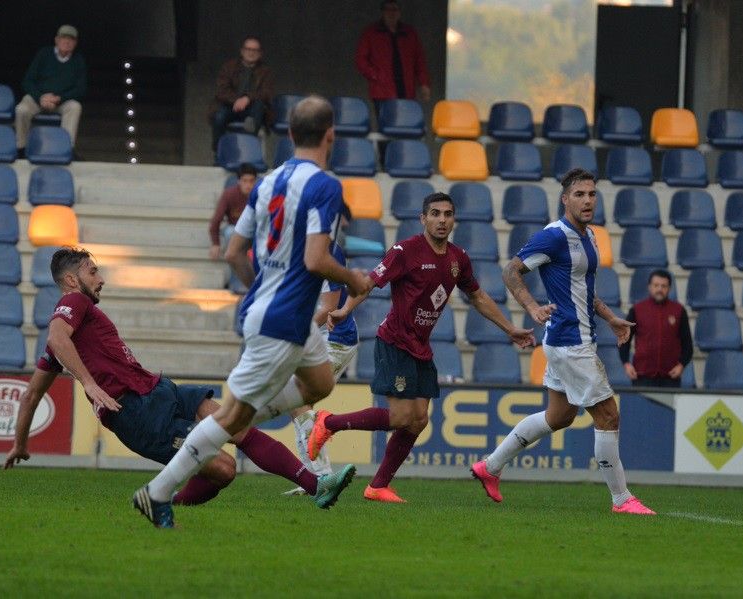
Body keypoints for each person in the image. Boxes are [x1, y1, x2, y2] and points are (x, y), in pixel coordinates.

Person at [134, 96, 372, 528]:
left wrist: (261, 289)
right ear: (331, 135)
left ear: (290, 135)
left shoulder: (265, 183)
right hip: (283, 319)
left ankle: (239, 414)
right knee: (231, 418)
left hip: (282, 314)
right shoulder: (326, 186)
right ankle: (157, 492)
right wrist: (354, 280)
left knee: (318, 383)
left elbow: (233, 252)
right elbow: (319, 259)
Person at [4, 247, 345, 512]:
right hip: (136, 413)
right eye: (93, 272)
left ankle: (318, 486)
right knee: (224, 470)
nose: (101, 279)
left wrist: (20, 444)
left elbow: (33, 393)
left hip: (158, 389)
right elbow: (55, 338)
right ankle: (161, 501)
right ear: (72, 281)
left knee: (238, 424)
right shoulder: (72, 302)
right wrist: (90, 385)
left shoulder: (77, 330)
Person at [307, 192, 535, 504]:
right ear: (423, 218)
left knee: (419, 419)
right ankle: (328, 422)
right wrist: (346, 310)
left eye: (448, 214)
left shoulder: (458, 259)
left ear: (454, 219)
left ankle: (378, 486)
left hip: (421, 347)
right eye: (436, 214)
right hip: (394, 343)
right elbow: (370, 282)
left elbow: (478, 297)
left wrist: (509, 329)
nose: (442, 220)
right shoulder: (405, 251)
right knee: (402, 416)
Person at [470, 168, 656, 516]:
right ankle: (622, 499)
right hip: (570, 341)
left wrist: (610, 317)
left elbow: (583, 288)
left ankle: (490, 467)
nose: (587, 200)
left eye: (591, 194)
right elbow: (510, 271)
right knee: (608, 415)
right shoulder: (553, 236)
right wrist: (531, 307)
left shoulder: (589, 236)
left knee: (559, 416)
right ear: (565, 199)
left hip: (571, 338)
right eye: (580, 194)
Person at [282, 240, 360, 496]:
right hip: (313, 335)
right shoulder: (289, 244)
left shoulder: (325, 248)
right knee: (299, 404)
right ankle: (317, 478)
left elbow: (329, 308)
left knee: (297, 400)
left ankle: (320, 478)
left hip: (334, 337)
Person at [15, 25, 87, 159]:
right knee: (21, 109)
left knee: (75, 107)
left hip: (60, 101)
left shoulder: (78, 60)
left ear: (75, 43)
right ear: (56, 40)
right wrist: (40, 97)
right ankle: (21, 148)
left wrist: (59, 98)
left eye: (71, 39)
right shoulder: (44, 54)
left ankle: (66, 148)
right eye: (64, 38)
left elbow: (81, 88)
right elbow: (27, 81)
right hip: (39, 98)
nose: (67, 42)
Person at [355, 1, 430, 117]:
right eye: (388, 10)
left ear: (399, 12)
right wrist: (376, 75)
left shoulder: (409, 33)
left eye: (394, 10)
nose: (391, 13)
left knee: (406, 126)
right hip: (382, 92)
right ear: (382, 12)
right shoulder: (371, 33)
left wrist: (424, 83)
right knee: (386, 128)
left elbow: (419, 61)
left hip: (406, 90)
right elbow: (361, 60)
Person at [619, 269, 693, 387]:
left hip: (671, 377)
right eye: (656, 285)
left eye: (664, 286)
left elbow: (688, 345)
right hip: (642, 376)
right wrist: (626, 363)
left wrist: (681, 365)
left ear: (669, 288)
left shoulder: (679, 310)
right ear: (649, 287)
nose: (660, 289)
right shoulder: (637, 310)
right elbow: (624, 339)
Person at [209, 36, 274, 151]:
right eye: (248, 49)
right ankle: (219, 153)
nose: (251, 53)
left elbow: (266, 93)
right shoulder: (229, 67)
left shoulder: (265, 71)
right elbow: (222, 90)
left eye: (255, 50)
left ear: (260, 54)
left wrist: (248, 98)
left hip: (253, 109)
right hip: (230, 106)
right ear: (242, 51)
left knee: (258, 108)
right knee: (219, 117)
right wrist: (236, 101)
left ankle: (248, 151)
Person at [209, 163, 258, 261]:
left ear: (255, 181)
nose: (248, 185)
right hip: (235, 229)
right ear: (239, 181)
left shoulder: (261, 194)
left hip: (255, 230)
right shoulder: (229, 194)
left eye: (251, 181)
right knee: (229, 232)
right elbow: (216, 219)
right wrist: (215, 243)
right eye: (245, 181)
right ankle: (235, 263)